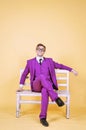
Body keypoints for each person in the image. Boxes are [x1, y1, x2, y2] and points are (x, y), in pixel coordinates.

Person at [19, 43, 78, 127]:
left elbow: (60, 66)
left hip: (47, 86)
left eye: (42, 49)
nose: (40, 50)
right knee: (42, 76)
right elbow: (24, 74)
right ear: (36, 50)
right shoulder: (30, 62)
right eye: (39, 49)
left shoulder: (49, 61)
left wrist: (71, 70)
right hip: (36, 85)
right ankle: (56, 97)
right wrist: (21, 86)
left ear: (44, 52)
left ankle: (43, 118)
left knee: (45, 91)